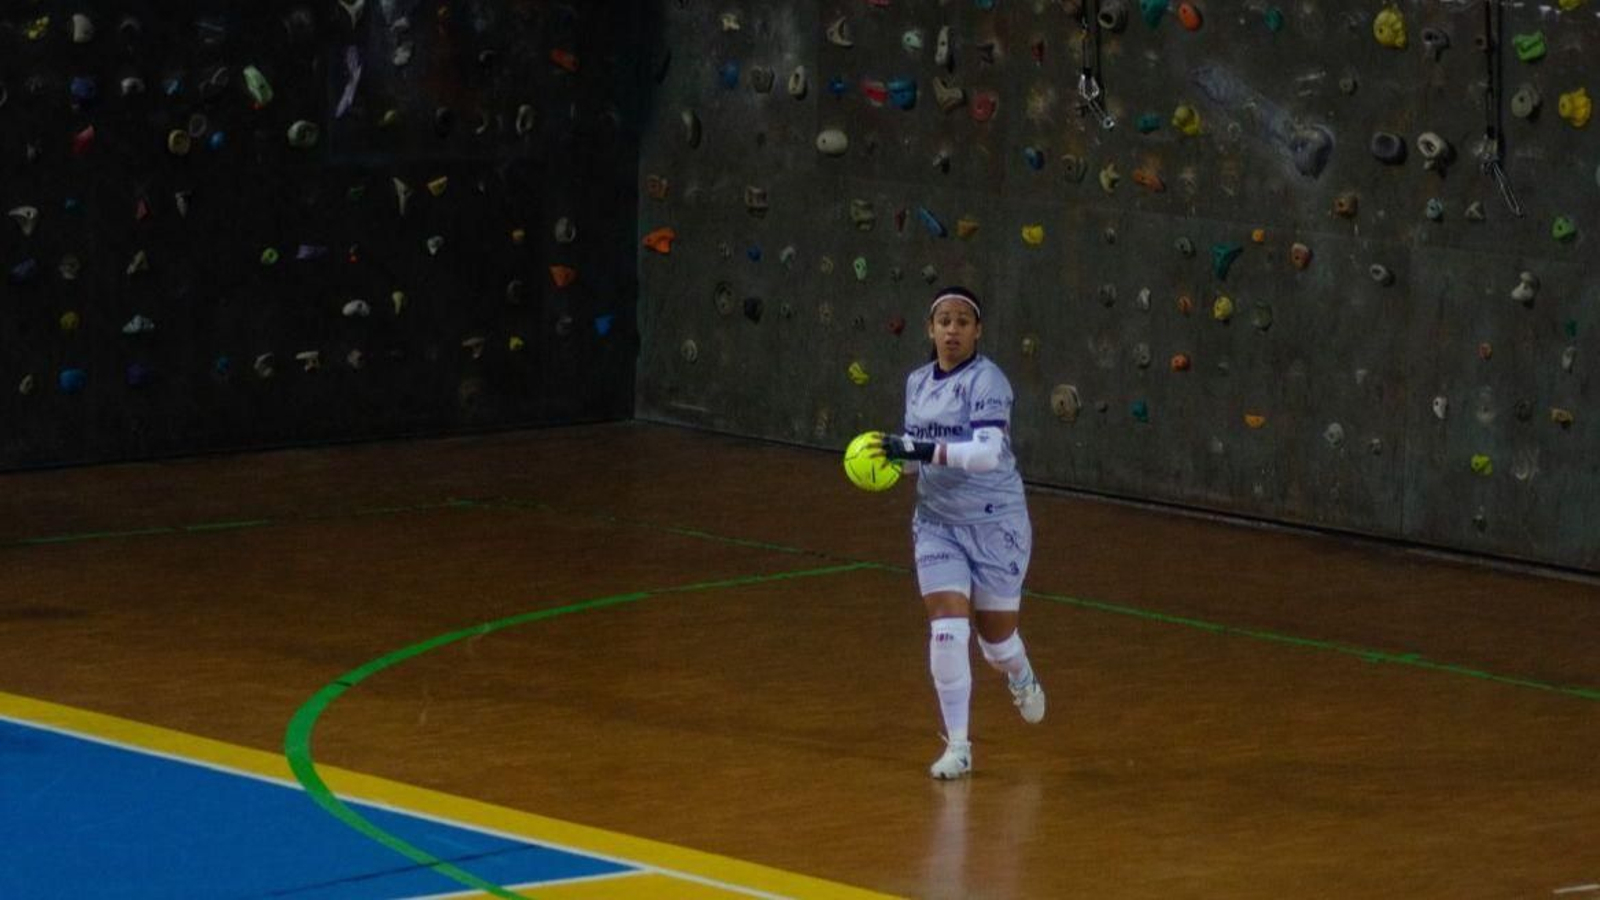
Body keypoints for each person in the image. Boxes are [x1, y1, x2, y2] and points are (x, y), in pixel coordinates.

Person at [874, 285, 1044, 780]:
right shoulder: (917, 383)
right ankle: (960, 746)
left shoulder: (988, 381)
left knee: (997, 642)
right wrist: (886, 460)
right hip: (937, 523)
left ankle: (1020, 672)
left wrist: (919, 452)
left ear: (977, 331)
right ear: (930, 329)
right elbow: (916, 454)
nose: (952, 331)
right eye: (944, 321)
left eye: (962, 322)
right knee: (947, 628)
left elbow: (985, 454)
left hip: (995, 523)